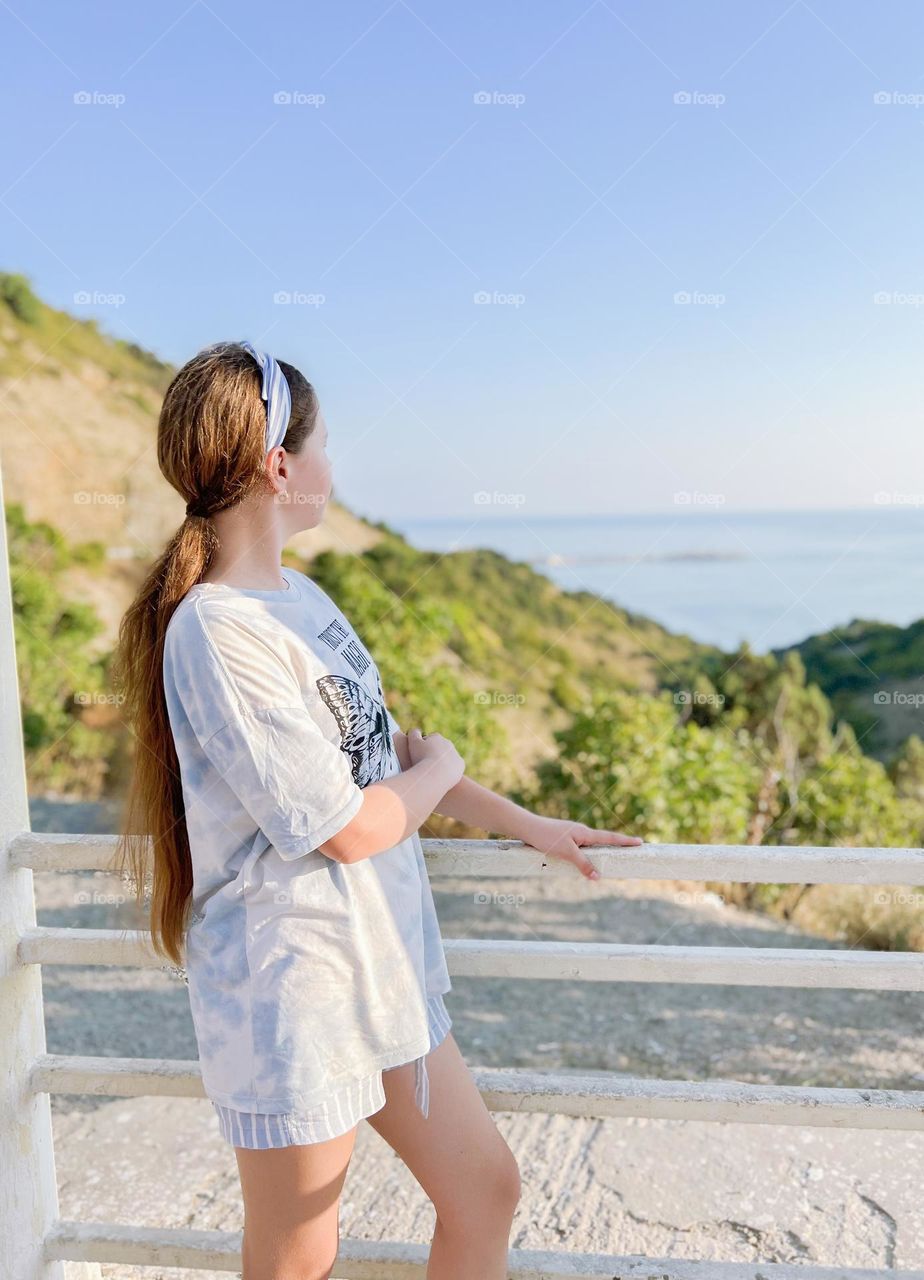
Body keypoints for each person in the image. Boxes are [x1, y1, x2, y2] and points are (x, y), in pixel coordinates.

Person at [110, 339, 643, 1280]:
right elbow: (354, 825)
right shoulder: (215, 630)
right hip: (297, 990)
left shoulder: (303, 599)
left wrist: (528, 823)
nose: (332, 469)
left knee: (485, 1191)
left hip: (382, 973)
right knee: (299, 1255)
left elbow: (385, 755)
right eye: (322, 446)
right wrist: (444, 768)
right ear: (280, 466)